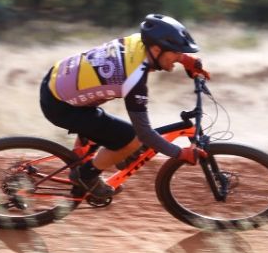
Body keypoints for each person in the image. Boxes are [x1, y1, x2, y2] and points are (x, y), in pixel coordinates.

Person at [40, 14, 210, 199]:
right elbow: (145, 133)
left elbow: (163, 52)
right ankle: (85, 176)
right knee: (133, 139)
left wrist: (186, 60)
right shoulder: (134, 79)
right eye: (176, 53)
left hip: (58, 79)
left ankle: (105, 151)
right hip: (61, 106)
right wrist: (179, 153)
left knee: (120, 134)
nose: (178, 57)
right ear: (156, 48)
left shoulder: (139, 42)